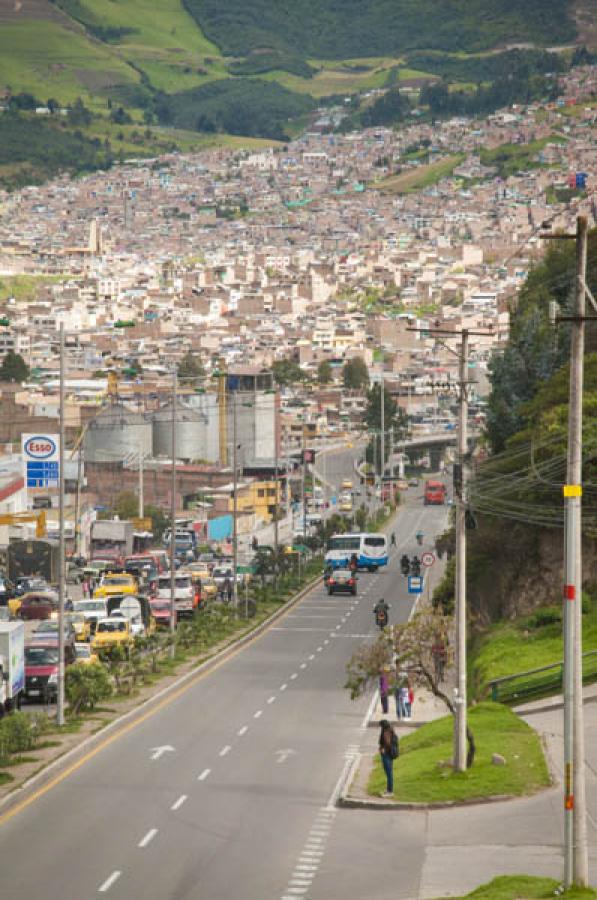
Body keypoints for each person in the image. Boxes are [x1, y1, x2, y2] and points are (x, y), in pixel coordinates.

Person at [378, 719, 398, 798]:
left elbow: (387, 744)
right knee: (389, 773)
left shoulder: (386, 733)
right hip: (389, 755)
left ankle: (390, 791)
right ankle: (388, 789)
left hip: (387, 755)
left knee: (389, 774)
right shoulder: (391, 730)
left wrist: (383, 750)